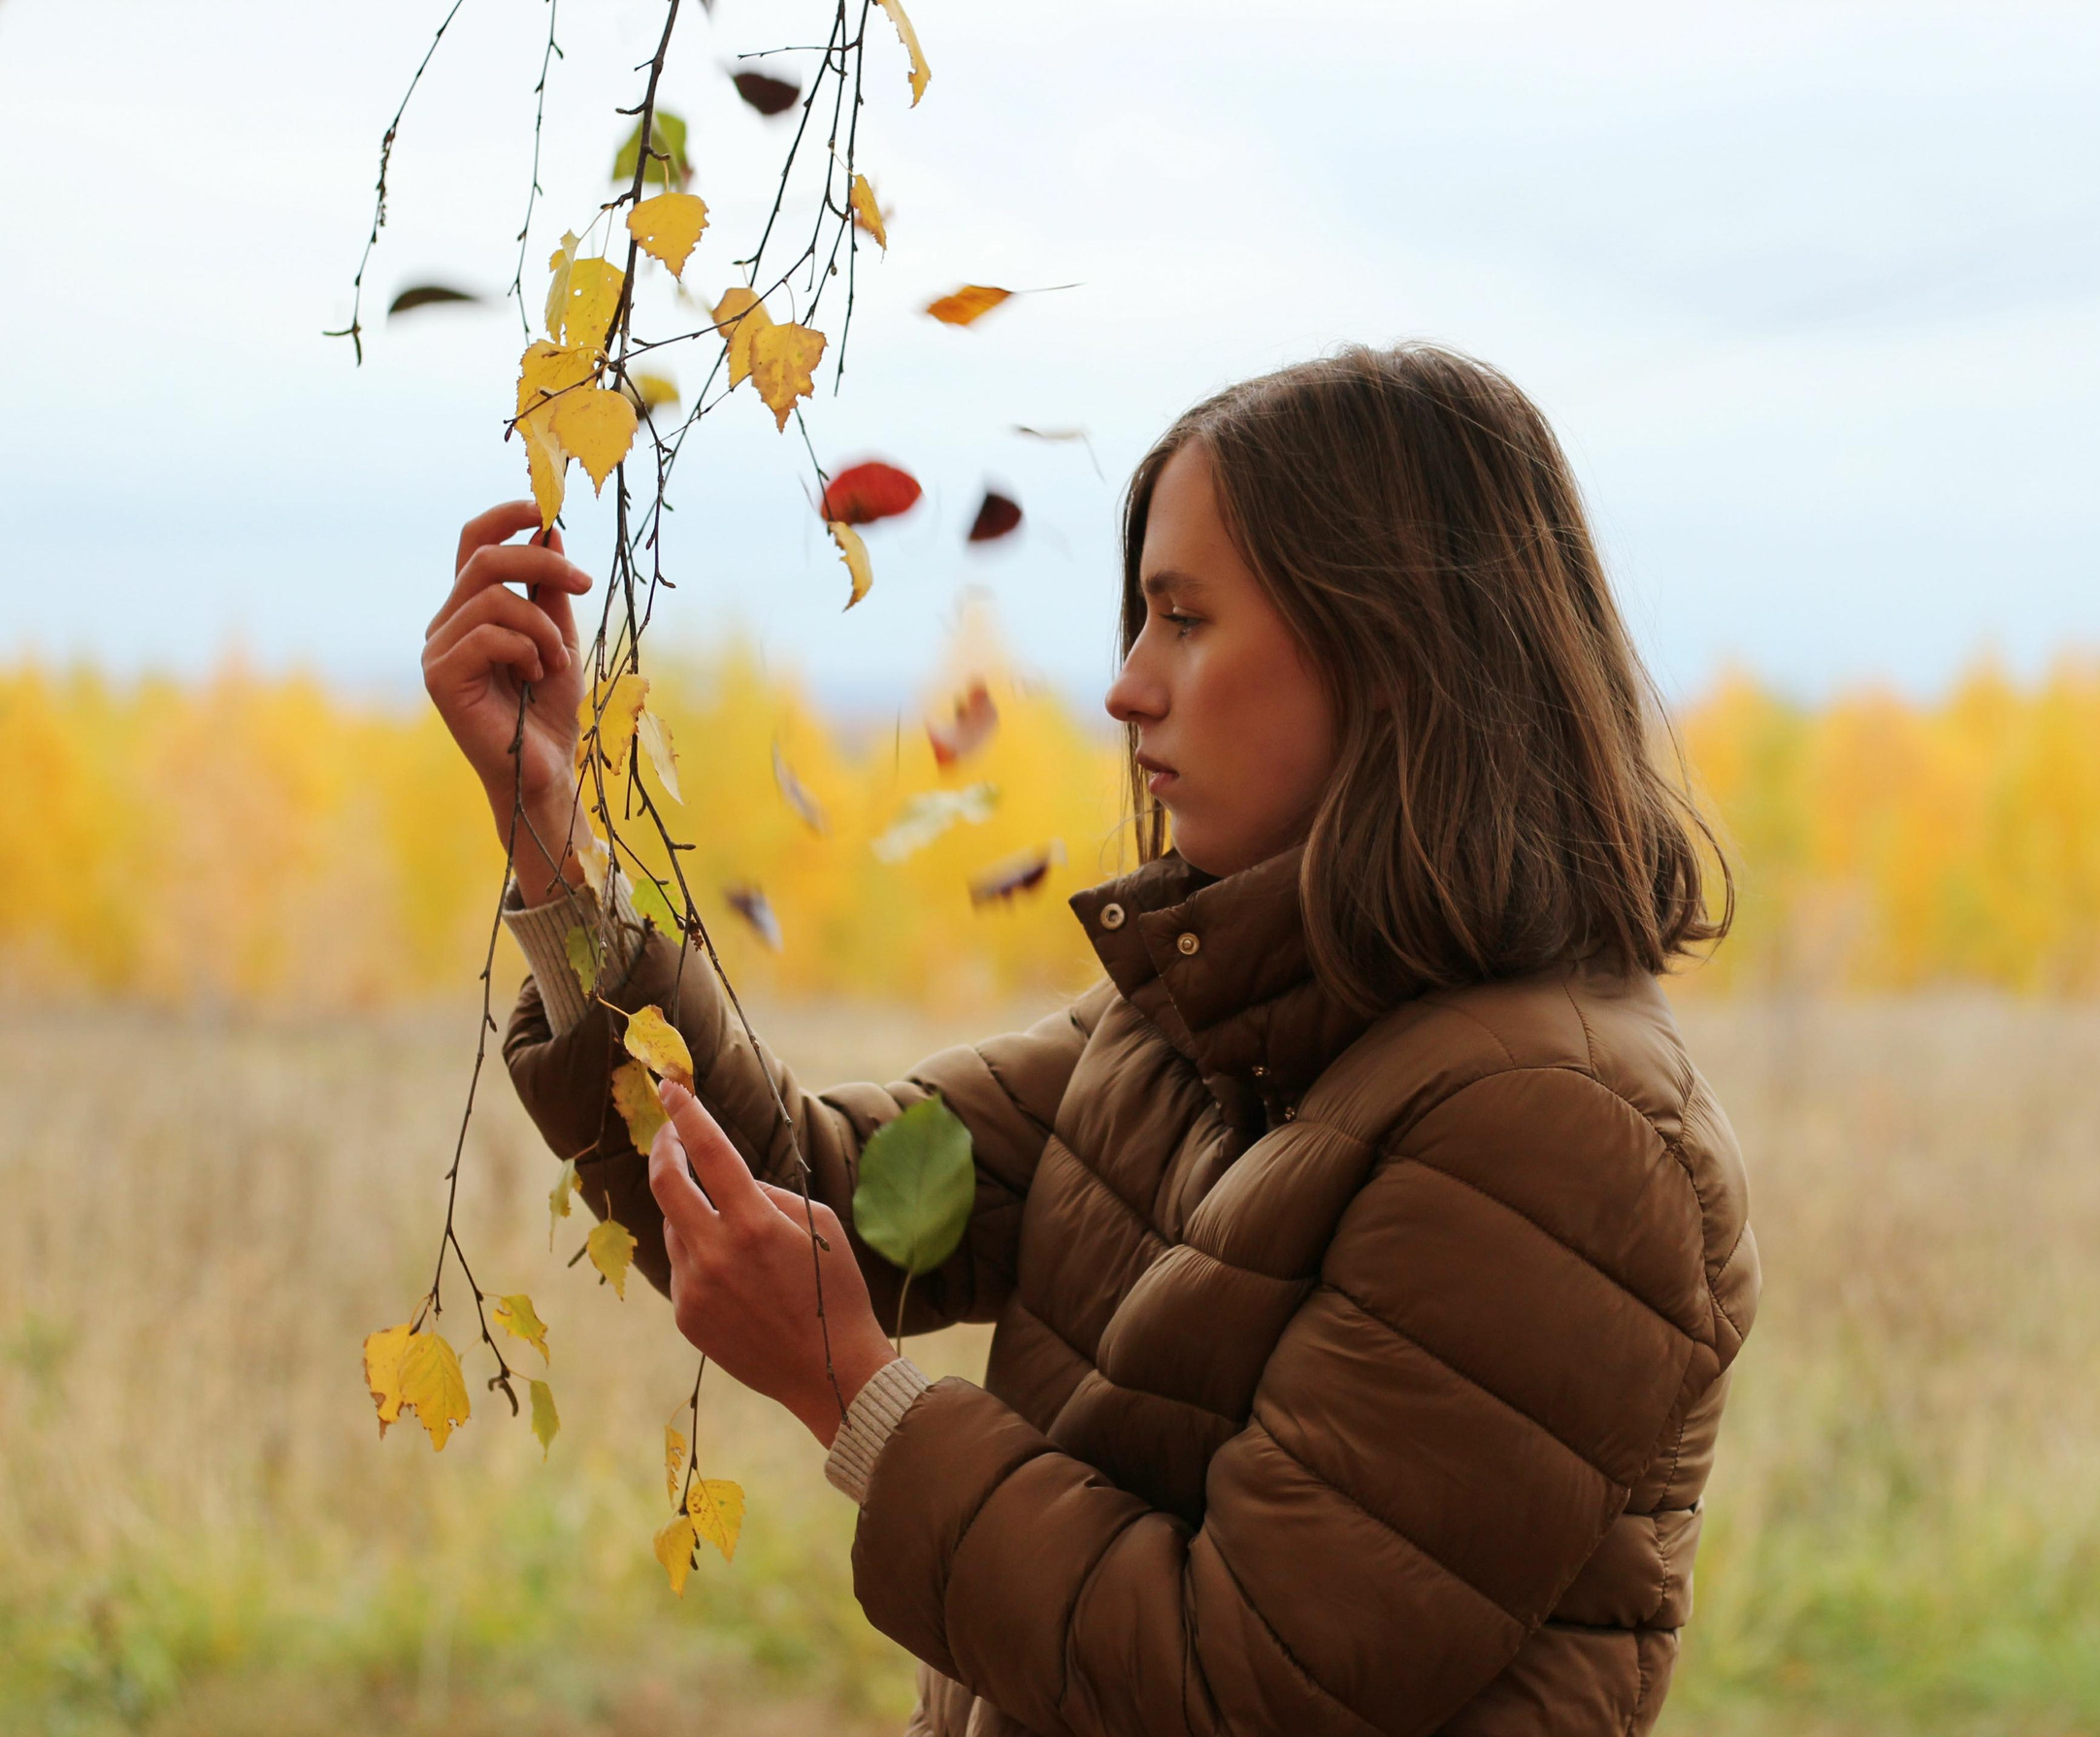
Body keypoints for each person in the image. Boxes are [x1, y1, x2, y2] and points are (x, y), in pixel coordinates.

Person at [422, 344, 1758, 1737]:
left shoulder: (1561, 1134)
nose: (1126, 690)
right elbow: (812, 1193)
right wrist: (551, 834)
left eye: (1184, 620)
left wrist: (856, 1395)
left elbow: (1235, 1687)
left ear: (1390, 655)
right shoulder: (1214, 1017)